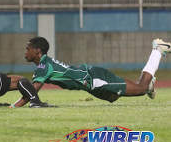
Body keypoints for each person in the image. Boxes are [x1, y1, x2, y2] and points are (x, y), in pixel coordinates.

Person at [11, 36, 171, 107]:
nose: (25, 52)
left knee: (139, 88)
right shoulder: (43, 66)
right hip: (90, 82)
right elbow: (30, 91)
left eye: (28, 49)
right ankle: (149, 86)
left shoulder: (44, 67)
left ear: (38, 51)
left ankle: (157, 50)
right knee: (113, 97)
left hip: (94, 78)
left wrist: (13, 107)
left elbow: (30, 95)